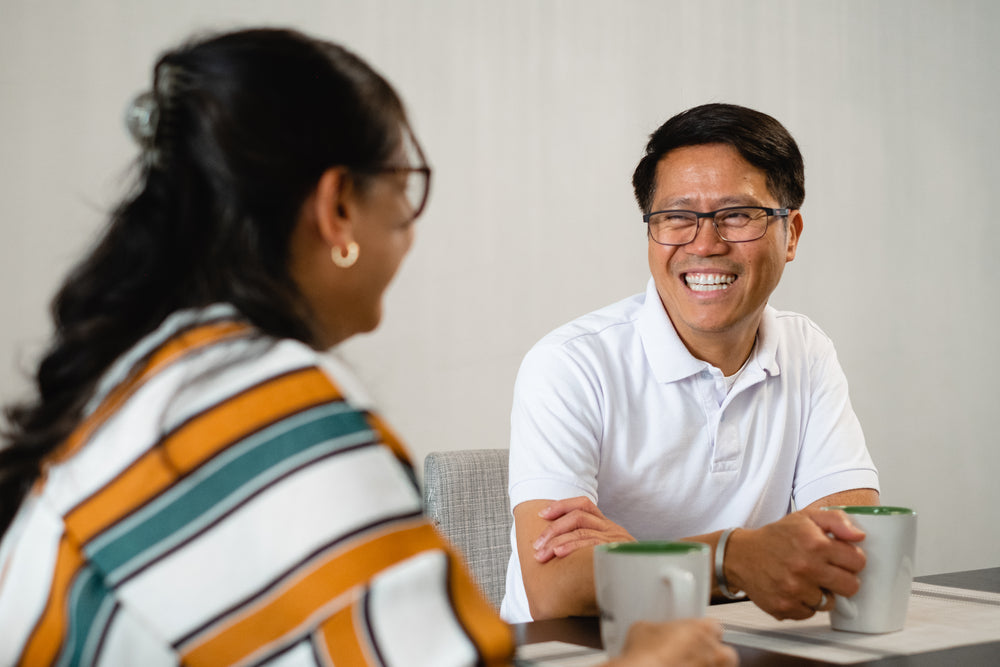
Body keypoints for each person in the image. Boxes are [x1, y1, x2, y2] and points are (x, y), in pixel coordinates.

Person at [0, 28, 736, 667]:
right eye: (405, 186)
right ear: (338, 206)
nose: (411, 228)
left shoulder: (167, 372)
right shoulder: (260, 402)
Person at [501, 103, 880, 625]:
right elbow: (554, 591)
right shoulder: (570, 364)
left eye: (737, 215)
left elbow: (848, 550)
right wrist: (737, 560)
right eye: (677, 217)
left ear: (790, 234)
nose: (704, 244)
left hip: (732, 649)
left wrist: (635, 560)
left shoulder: (807, 351)